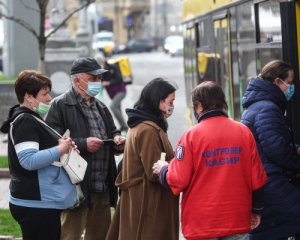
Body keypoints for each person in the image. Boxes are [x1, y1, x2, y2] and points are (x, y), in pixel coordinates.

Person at [153, 81, 267, 240]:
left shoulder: (191, 136)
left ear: (199, 106)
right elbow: (257, 179)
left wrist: (164, 169)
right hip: (236, 218)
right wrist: (256, 210)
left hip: (202, 223)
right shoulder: (243, 132)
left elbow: (178, 180)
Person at [45, 57, 126, 240]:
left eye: (99, 79)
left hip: (102, 185)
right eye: (93, 78)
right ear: (76, 81)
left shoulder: (102, 107)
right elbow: (51, 141)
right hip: (76, 187)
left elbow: (113, 132)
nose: (98, 83)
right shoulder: (60, 105)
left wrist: (117, 142)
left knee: (100, 235)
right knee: (70, 235)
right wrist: (83, 144)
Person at [0, 70, 77, 240]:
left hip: (39, 202)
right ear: (28, 96)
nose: (49, 98)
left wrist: (62, 146)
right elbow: (28, 160)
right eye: (44, 93)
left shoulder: (30, 118)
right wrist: (60, 149)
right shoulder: (25, 121)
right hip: (36, 204)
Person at [106, 78, 179, 240]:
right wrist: (179, 165)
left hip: (142, 202)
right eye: (170, 101)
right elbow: (154, 172)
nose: (172, 105)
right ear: (159, 101)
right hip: (149, 206)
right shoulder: (149, 130)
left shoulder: (141, 124)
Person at [241, 60, 300, 240]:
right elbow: (276, 149)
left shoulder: (259, 105)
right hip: (271, 182)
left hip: (266, 181)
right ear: (277, 82)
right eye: (289, 83)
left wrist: (294, 148)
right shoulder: (267, 108)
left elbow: (268, 141)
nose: (291, 88)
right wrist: (297, 163)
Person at [96, 54, 128, 133]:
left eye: (100, 62)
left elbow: (119, 79)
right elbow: (101, 81)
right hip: (112, 94)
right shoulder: (101, 70)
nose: (100, 63)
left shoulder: (112, 66)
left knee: (113, 107)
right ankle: (123, 128)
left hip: (121, 91)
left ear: (103, 60)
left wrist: (108, 83)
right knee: (118, 110)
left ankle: (125, 126)